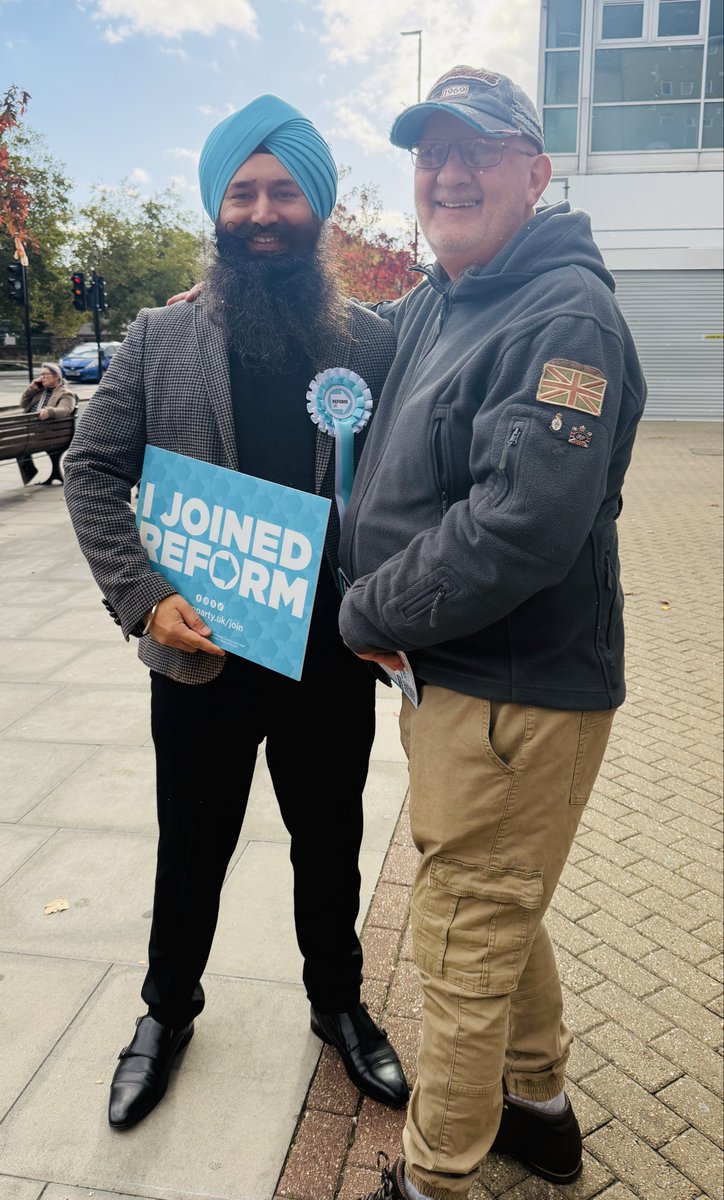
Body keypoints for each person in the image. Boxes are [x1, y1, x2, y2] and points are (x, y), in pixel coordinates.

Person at [63, 94, 409, 1133]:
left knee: (328, 842)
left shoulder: (377, 343)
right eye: (243, 193)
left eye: (284, 191)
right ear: (217, 209)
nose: (263, 212)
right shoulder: (161, 335)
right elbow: (91, 468)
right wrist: (143, 598)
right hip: (201, 651)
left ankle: (337, 1002)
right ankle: (167, 1012)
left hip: (328, 657)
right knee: (192, 846)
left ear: (319, 208)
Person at [337, 67, 646, 1200]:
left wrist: (365, 610)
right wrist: (217, 305)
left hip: (517, 693)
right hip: (455, 681)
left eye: (478, 152)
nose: (449, 174)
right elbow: (356, 336)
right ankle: (540, 1110)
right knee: (493, 901)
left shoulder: (562, 316)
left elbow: (520, 528)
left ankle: (434, 1177)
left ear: (535, 172)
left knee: (462, 944)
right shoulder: (449, 296)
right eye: (431, 155)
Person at [17, 362, 76, 485]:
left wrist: (49, 412)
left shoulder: (66, 393)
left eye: (45, 374)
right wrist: (31, 389)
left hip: (48, 434)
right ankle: (30, 470)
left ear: (56, 376)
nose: (41, 378)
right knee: (16, 440)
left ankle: (30, 471)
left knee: (16, 441)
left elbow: (65, 410)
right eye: (41, 375)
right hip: (32, 431)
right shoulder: (40, 391)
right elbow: (23, 404)